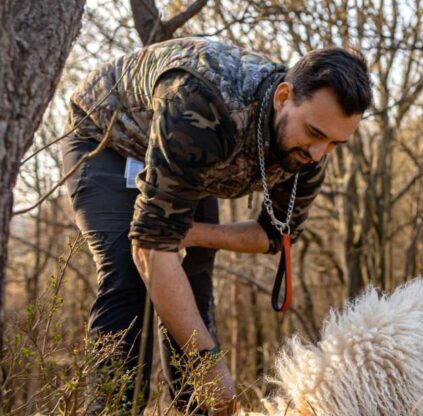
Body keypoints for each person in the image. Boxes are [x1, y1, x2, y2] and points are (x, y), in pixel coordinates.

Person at [61, 37, 372, 414]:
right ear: (283, 97)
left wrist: (193, 234)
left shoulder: (309, 153)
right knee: (128, 271)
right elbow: (151, 248)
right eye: (315, 133)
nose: (319, 154)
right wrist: (207, 362)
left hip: (189, 161)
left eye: (336, 143)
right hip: (108, 138)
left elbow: (272, 236)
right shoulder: (202, 103)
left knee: (192, 283)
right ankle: (112, 408)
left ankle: (199, 409)